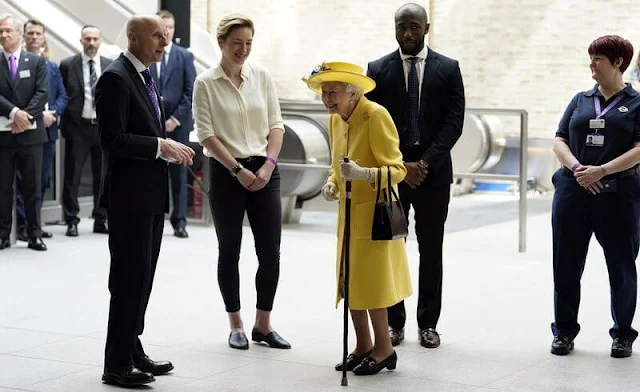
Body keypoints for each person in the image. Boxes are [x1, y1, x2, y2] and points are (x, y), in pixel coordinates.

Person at [96, 14, 195, 386]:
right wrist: (159, 146)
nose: (164, 42)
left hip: (151, 198)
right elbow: (111, 139)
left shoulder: (143, 75)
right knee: (127, 281)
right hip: (128, 200)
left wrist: (164, 149)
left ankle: (132, 349)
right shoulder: (115, 78)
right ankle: (116, 365)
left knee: (143, 280)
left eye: (165, 35)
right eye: (156, 35)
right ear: (133, 37)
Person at [366, 2, 465, 348]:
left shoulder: (449, 69)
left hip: (433, 178)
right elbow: (372, 124)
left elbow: (454, 122)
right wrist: (400, 167)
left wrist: (423, 164)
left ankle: (428, 323)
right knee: (392, 248)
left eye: (413, 27)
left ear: (426, 28)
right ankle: (395, 324)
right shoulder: (376, 69)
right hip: (393, 180)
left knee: (431, 248)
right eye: (401, 27)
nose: (407, 33)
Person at [303, 61, 412, 375]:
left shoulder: (375, 115)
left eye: (333, 92)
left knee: (373, 285)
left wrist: (365, 174)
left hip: (374, 217)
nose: (328, 99)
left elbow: (398, 170)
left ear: (352, 92)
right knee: (350, 283)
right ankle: (363, 345)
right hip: (347, 217)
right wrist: (332, 182)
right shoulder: (337, 119)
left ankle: (384, 348)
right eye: (324, 92)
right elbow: (339, 166)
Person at [193, 14, 290, 351]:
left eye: (248, 43)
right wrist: (238, 170)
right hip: (225, 172)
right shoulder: (205, 82)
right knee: (229, 250)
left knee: (270, 253)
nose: (243, 50)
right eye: (237, 43)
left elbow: (276, 125)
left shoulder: (262, 77)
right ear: (221, 42)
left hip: (265, 169)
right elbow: (206, 134)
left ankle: (263, 324)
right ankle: (236, 325)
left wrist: (267, 166)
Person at [550, 35, 640, 359]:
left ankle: (623, 335)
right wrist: (577, 168)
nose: (592, 64)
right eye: (591, 58)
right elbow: (559, 139)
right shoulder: (580, 99)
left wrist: (601, 171)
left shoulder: (636, 103)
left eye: (598, 58)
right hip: (573, 194)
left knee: (621, 267)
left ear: (618, 63)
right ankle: (563, 332)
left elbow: (639, 150)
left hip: (617, 197)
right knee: (566, 266)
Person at [15, 19, 67, 241]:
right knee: (22, 180)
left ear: (44, 37)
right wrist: (37, 115)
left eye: (38, 33)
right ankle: (22, 226)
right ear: (24, 36)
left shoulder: (52, 67)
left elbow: (63, 95)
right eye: (30, 33)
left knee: (41, 180)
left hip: (48, 130)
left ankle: (35, 223)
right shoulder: (17, 64)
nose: (34, 37)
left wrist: (53, 114)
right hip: (26, 128)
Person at [0, 14, 48, 251]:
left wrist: (24, 117)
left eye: (8, 31)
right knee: (3, 188)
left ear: (19, 34)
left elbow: (42, 93)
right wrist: (14, 113)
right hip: (4, 136)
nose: (3, 35)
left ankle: (34, 234)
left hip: (30, 135)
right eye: (0, 31)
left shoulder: (36, 62)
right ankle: (3, 234)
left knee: (32, 188)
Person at [59, 25, 111, 237]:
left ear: (100, 41)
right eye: (87, 39)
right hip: (77, 128)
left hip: (102, 128)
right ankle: (71, 220)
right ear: (81, 41)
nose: (91, 43)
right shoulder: (67, 65)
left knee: (103, 176)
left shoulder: (110, 65)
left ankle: (101, 218)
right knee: (73, 175)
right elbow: (61, 94)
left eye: (95, 39)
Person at [149, 10, 196, 238]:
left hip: (178, 126)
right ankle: (154, 217)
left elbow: (190, 91)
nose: (167, 32)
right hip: (151, 127)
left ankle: (179, 221)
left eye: (170, 28)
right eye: (163, 28)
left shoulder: (184, 56)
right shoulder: (147, 54)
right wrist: (157, 120)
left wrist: (174, 119)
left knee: (179, 175)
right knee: (153, 174)